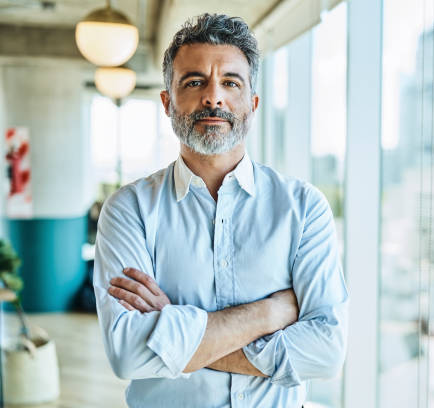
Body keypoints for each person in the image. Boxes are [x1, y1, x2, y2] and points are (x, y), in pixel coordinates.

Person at [93, 13, 349, 408]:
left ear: (253, 103)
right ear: (167, 101)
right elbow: (128, 354)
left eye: (231, 82)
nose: (213, 97)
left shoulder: (304, 208)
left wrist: (175, 335)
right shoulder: (129, 210)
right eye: (194, 82)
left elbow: (327, 351)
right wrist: (271, 312)